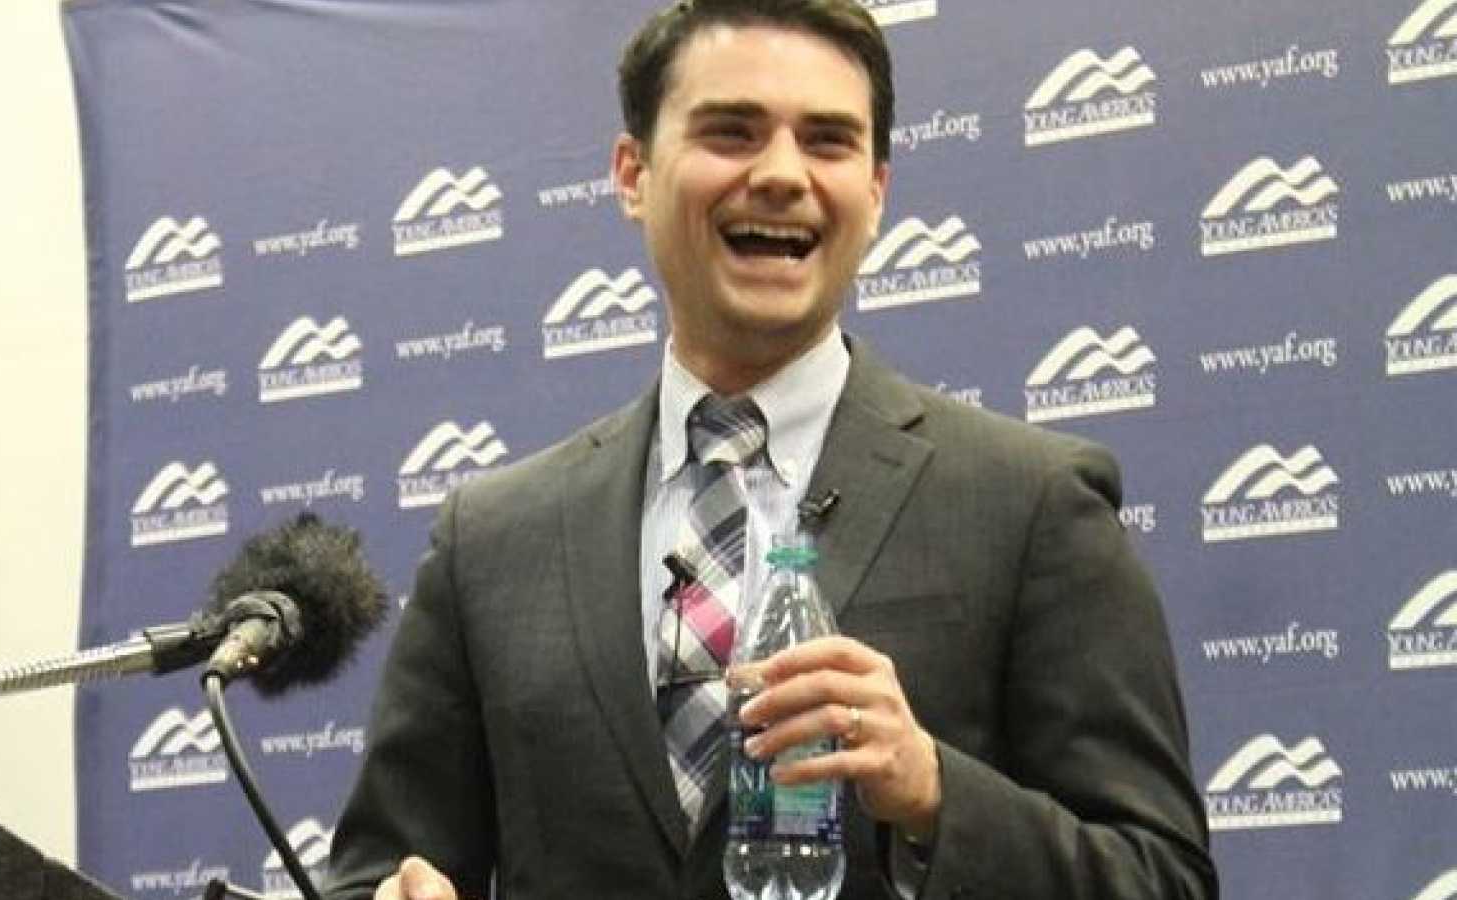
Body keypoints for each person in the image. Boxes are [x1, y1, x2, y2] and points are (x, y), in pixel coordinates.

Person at [325, 1, 1217, 898]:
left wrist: (934, 795)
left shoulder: (1032, 503)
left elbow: (1162, 879)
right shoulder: (490, 540)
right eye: (732, 132)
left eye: (828, 141)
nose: (783, 174)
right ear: (633, 174)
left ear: (876, 190)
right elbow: (378, 871)